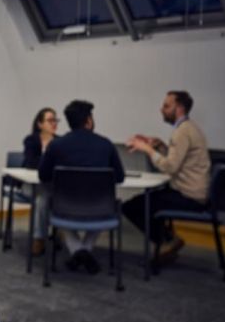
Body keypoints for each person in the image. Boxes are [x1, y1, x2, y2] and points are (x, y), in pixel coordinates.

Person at [123, 91, 211, 264]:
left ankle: (167, 241)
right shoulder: (188, 128)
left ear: (179, 108)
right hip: (191, 191)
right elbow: (177, 160)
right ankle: (168, 240)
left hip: (189, 196)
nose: (161, 109)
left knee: (132, 207)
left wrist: (148, 150)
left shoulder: (182, 132)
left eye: (166, 106)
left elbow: (170, 167)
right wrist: (160, 146)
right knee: (144, 202)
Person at [38, 100, 125, 274]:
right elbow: (120, 177)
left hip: (65, 208)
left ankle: (79, 250)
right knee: (108, 204)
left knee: (55, 203)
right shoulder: (106, 145)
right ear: (88, 121)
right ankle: (84, 250)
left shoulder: (56, 145)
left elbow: (43, 176)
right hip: (100, 209)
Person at [22, 107, 60, 256]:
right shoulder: (31, 140)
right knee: (43, 198)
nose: (54, 123)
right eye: (50, 120)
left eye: (55, 120)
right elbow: (31, 163)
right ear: (40, 124)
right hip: (30, 185)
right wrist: (48, 158)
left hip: (51, 186)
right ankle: (39, 239)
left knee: (54, 196)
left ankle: (59, 232)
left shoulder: (60, 141)